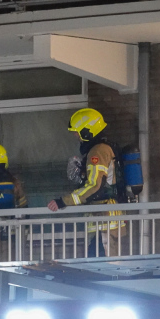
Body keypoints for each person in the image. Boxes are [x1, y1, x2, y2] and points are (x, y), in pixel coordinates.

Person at [47, 108, 125, 257]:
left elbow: (95, 186)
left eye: (77, 132)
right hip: (105, 219)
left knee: (101, 267)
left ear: (87, 131)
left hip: (104, 220)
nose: (76, 136)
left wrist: (63, 201)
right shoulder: (103, 148)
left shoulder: (98, 151)